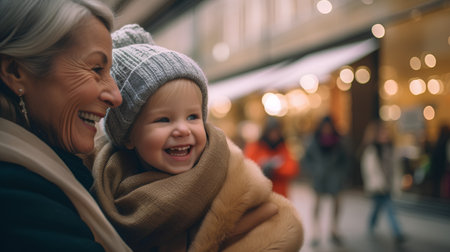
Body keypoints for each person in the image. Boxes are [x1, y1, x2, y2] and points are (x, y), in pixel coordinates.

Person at [0, 2, 278, 251]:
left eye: (193, 116)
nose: (115, 95)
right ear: (15, 72)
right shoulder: (18, 193)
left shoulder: (65, 167)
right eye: (96, 68)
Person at [87, 24, 303, 252]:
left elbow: (283, 228)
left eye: (193, 116)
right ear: (129, 135)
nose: (183, 129)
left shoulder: (229, 180)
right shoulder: (103, 185)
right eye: (163, 120)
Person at [300, 115, 349, 246]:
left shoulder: (339, 141)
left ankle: (334, 229)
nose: (327, 129)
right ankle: (316, 231)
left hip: (335, 178)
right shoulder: (314, 141)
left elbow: (346, 160)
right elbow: (306, 160)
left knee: (337, 203)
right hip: (320, 178)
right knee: (317, 204)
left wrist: (341, 174)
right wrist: (314, 170)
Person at [360, 120, 405, 243]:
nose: (385, 135)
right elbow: (369, 170)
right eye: (382, 134)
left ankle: (371, 223)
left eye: (386, 133)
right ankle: (397, 232)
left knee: (378, 207)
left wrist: (397, 183)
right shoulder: (372, 151)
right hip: (378, 186)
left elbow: (397, 168)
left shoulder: (392, 149)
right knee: (389, 208)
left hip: (388, 184)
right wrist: (376, 183)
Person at [244, 117, 299, 198]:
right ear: (266, 132)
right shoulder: (256, 146)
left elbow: (292, 168)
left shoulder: (283, 148)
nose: (274, 135)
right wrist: (263, 166)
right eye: (272, 132)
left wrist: (276, 168)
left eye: (277, 132)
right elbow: (247, 166)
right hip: (260, 194)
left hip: (279, 195)